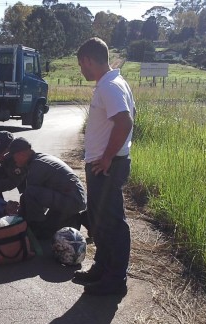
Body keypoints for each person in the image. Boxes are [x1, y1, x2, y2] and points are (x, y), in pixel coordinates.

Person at [73, 37, 135, 296]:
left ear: (88, 60)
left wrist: (108, 157)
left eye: (81, 65)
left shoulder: (110, 86)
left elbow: (124, 122)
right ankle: (102, 267)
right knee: (99, 221)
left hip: (107, 166)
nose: (81, 70)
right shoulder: (108, 84)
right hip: (102, 164)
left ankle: (115, 280)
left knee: (112, 223)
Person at [7, 137, 87, 240]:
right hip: (74, 198)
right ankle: (79, 218)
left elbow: (32, 199)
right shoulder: (40, 159)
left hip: (73, 201)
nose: (14, 160)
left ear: (21, 154)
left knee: (30, 193)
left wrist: (21, 219)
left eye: (14, 156)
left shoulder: (36, 167)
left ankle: (37, 229)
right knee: (50, 225)